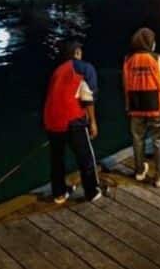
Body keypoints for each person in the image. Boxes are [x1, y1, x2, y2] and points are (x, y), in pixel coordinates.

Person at [42, 40, 103, 204]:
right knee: (85, 157)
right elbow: (88, 97)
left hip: (51, 120)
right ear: (76, 52)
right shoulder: (84, 68)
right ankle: (92, 191)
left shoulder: (57, 71)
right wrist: (93, 122)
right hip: (72, 118)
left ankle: (59, 193)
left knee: (57, 158)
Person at [122, 28, 160, 188]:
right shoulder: (155, 58)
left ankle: (139, 171)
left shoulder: (128, 59)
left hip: (136, 104)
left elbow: (126, 84)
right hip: (155, 104)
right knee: (158, 140)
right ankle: (159, 177)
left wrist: (127, 104)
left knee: (137, 138)